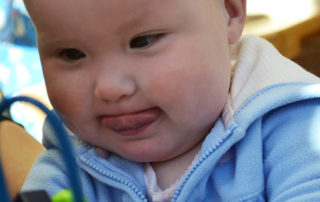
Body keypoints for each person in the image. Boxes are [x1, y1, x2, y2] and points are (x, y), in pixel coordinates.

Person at [21, 0, 320, 201]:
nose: (110, 89)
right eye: (72, 54)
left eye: (143, 41)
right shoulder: (64, 172)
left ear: (230, 12)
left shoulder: (299, 132)